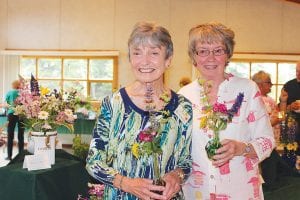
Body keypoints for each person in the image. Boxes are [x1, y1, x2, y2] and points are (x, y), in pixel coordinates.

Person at [86, 22, 193, 200]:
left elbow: (186, 160)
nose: (144, 61)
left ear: (168, 59)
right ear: (130, 59)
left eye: (154, 53)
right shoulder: (113, 104)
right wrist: (126, 183)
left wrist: (177, 176)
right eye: (137, 53)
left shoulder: (183, 107)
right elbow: (93, 162)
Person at [178, 22, 275, 199]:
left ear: (228, 53)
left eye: (218, 50)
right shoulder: (183, 96)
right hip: (197, 192)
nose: (211, 58)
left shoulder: (247, 89)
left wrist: (241, 148)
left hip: (240, 190)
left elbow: (267, 141)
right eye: (203, 51)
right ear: (194, 56)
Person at [252, 71, 283, 144]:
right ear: (259, 84)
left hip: (273, 140)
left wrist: (283, 102)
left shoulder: (269, 99)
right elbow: (263, 124)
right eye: (268, 82)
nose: (271, 85)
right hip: (264, 142)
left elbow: (280, 115)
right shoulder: (257, 100)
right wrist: (279, 118)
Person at [279, 61, 300, 153]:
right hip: (291, 130)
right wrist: (289, 107)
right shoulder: (288, 86)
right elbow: (280, 115)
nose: (298, 74)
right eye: (297, 71)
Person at [5, 80, 25, 160]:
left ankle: (9, 156)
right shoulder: (22, 93)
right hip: (21, 114)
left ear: (13, 85)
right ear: (19, 85)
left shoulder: (9, 93)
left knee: (10, 135)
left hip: (11, 114)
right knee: (21, 135)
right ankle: (21, 155)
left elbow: (6, 104)